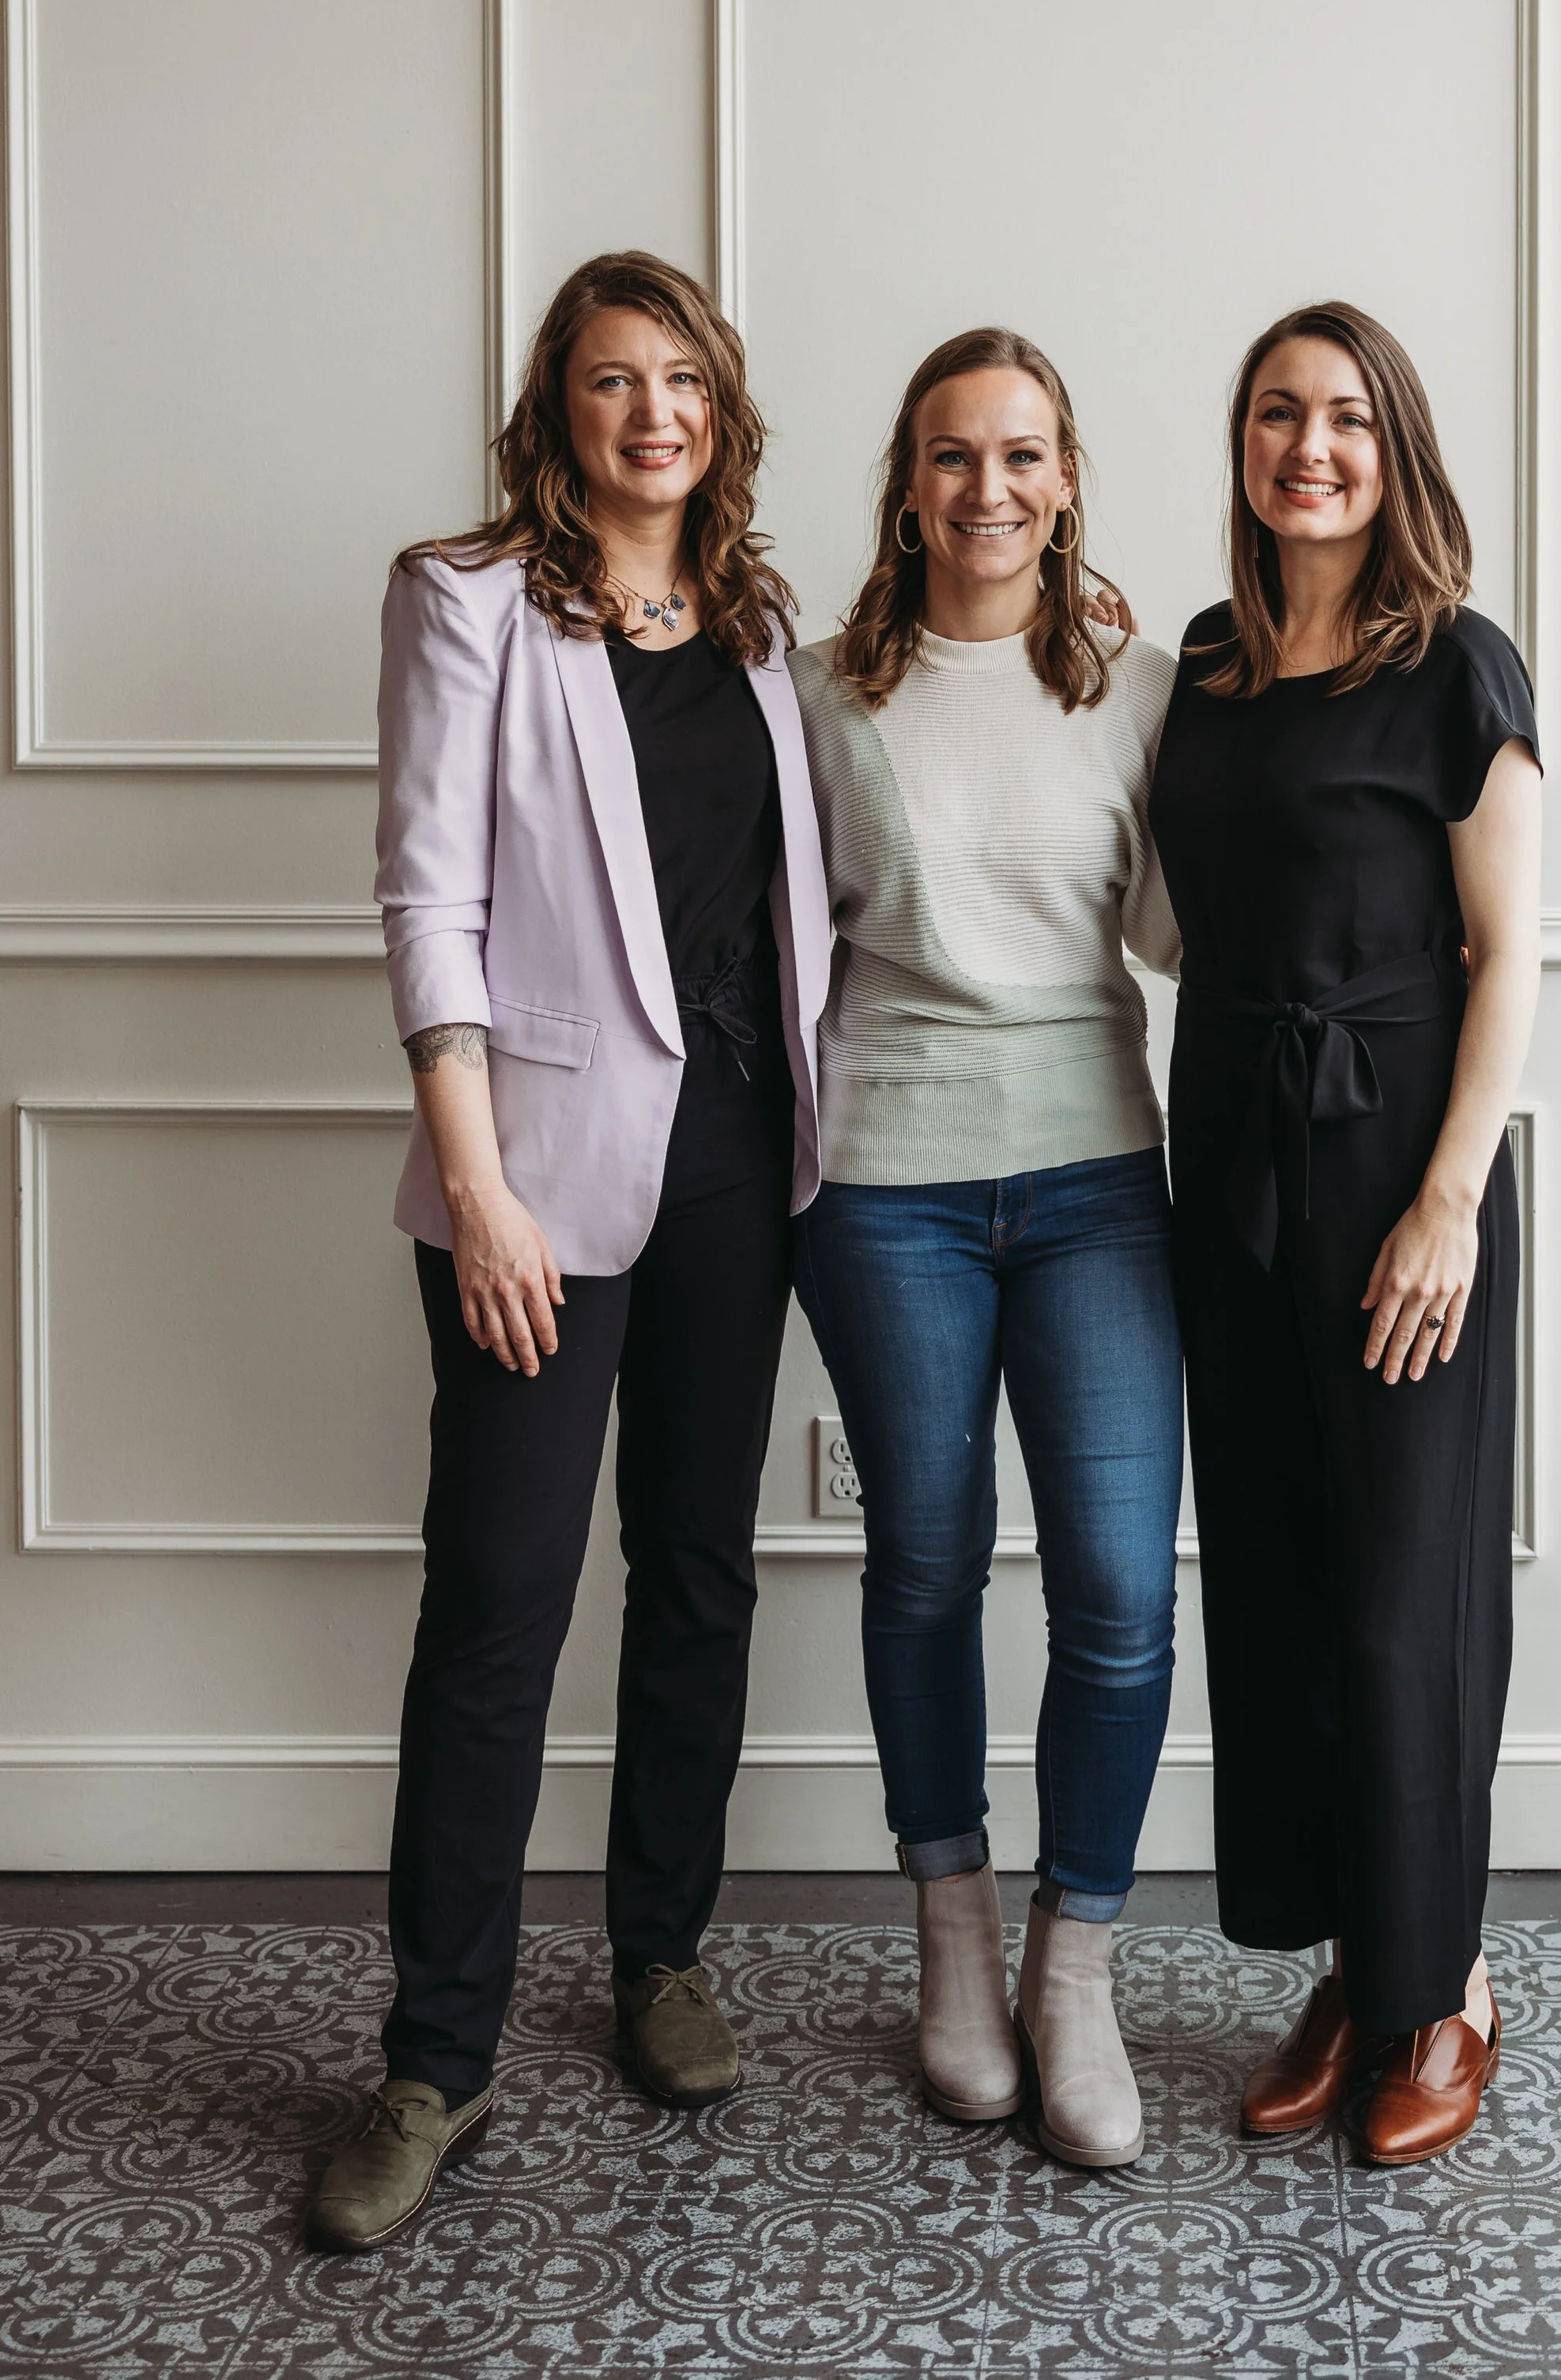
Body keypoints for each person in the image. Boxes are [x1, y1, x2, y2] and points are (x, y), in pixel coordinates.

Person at [306, 251, 830, 2253]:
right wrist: (481, 1184)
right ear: (559, 411)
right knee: (500, 1604)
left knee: (697, 1568)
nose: (651, 415)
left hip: (735, 1168)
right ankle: (432, 2057)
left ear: (721, 408)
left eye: (680, 378)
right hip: (530, 1179)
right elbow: (424, 901)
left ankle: (659, 1956)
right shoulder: (465, 602)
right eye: (612, 382)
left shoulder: (764, 628)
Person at [1149, 300, 1541, 2166]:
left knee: (1405, 1601)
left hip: (1397, 1158)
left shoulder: (1458, 668)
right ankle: (1351, 1967)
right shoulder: (1210, 666)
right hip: (1227, 1159)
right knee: (1289, 1592)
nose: (1307, 447)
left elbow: (1509, 953)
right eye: (1275, 415)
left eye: (1344, 420)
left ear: (1395, 454)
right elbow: (1164, 914)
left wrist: (1448, 1198)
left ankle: (1443, 1982)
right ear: (1241, 445)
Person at [790, 329, 1182, 2171]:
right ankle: (951, 1943)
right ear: (907, 483)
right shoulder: (819, 697)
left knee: (1115, 1585)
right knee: (926, 1563)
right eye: (952, 457)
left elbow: (1191, 933)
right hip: (885, 1188)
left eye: (1020, 456)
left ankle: (1072, 1967)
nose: (987, 491)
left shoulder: (1144, 688)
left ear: (1066, 476)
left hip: (1098, 1175)